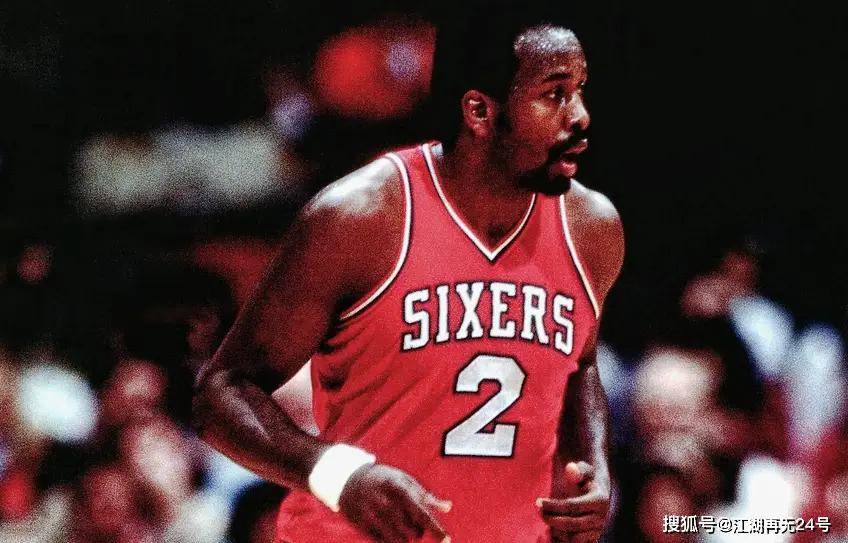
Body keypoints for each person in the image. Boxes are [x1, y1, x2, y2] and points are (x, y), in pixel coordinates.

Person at [193, 5, 624, 543]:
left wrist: (594, 463)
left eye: (580, 90)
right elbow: (221, 392)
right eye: (554, 94)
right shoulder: (362, 217)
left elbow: (580, 362)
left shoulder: (592, 228)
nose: (580, 116)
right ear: (479, 111)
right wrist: (338, 476)